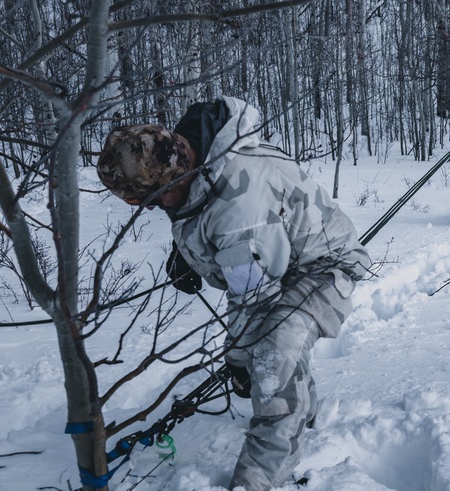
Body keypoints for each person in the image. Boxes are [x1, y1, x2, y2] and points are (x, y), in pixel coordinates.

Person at [96, 96, 371, 491]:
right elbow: (199, 209)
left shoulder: (241, 209)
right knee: (265, 345)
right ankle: (305, 413)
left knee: (273, 350)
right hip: (281, 258)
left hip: (325, 266)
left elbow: (254, 300)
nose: (151, 210)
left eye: (151, 200)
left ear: (176, 174)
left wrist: (239, 358)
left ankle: (257, 479)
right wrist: (187, 252)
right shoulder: (188, 152)